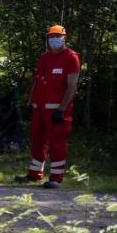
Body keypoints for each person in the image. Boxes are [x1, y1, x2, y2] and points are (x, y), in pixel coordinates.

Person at [16, 24, 80, 189]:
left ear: (64, 38)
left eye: (57, 36)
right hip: (39, 108)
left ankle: (56, 178)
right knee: (37, 141)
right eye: (51, 37)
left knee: (57, 143)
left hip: (57, 110)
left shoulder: (71, 57)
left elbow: (71, 86)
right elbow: (37, 81)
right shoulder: (45, 57)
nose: (54, 39)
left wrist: (61, 110)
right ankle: (34, 173)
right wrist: (30, 104)